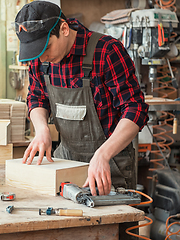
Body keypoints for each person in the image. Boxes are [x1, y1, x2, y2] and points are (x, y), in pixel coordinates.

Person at [14, 1, 149, 196]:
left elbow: (135, 109)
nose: (42, 58)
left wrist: (103, 154)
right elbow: (36, 97)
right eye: (36, 52)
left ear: (64, 29)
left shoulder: (106, 52)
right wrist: (41, 128)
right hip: (65, 162)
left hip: (111, 165)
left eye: (47, 48)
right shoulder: (40, 60)